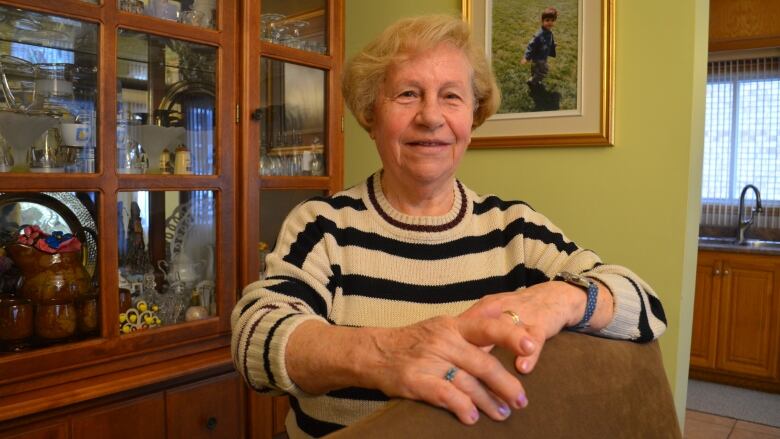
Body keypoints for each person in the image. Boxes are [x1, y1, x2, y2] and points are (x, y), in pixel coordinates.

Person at [232, 14, 667, 439]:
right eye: (407, 94)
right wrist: (386, 355)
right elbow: (255, 337)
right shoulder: (322, 226)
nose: (431, 117)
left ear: (472, 120)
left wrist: (562, 299)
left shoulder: (516, 230)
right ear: (371, 114)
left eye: (452, 97)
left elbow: (646, 307)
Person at [521, 6, 557, 87]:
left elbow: (547, 41)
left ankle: (534, 78)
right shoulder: (539, 35)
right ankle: (533, 81)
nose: (550, 22)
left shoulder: (548, 32)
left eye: (552, 20)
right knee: (544, 71)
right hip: (539, 58)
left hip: (541, 57)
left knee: (536, 69)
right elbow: (531, 45)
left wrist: (553, 44)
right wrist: (526, 57)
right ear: (542, 21)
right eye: (547, 20)